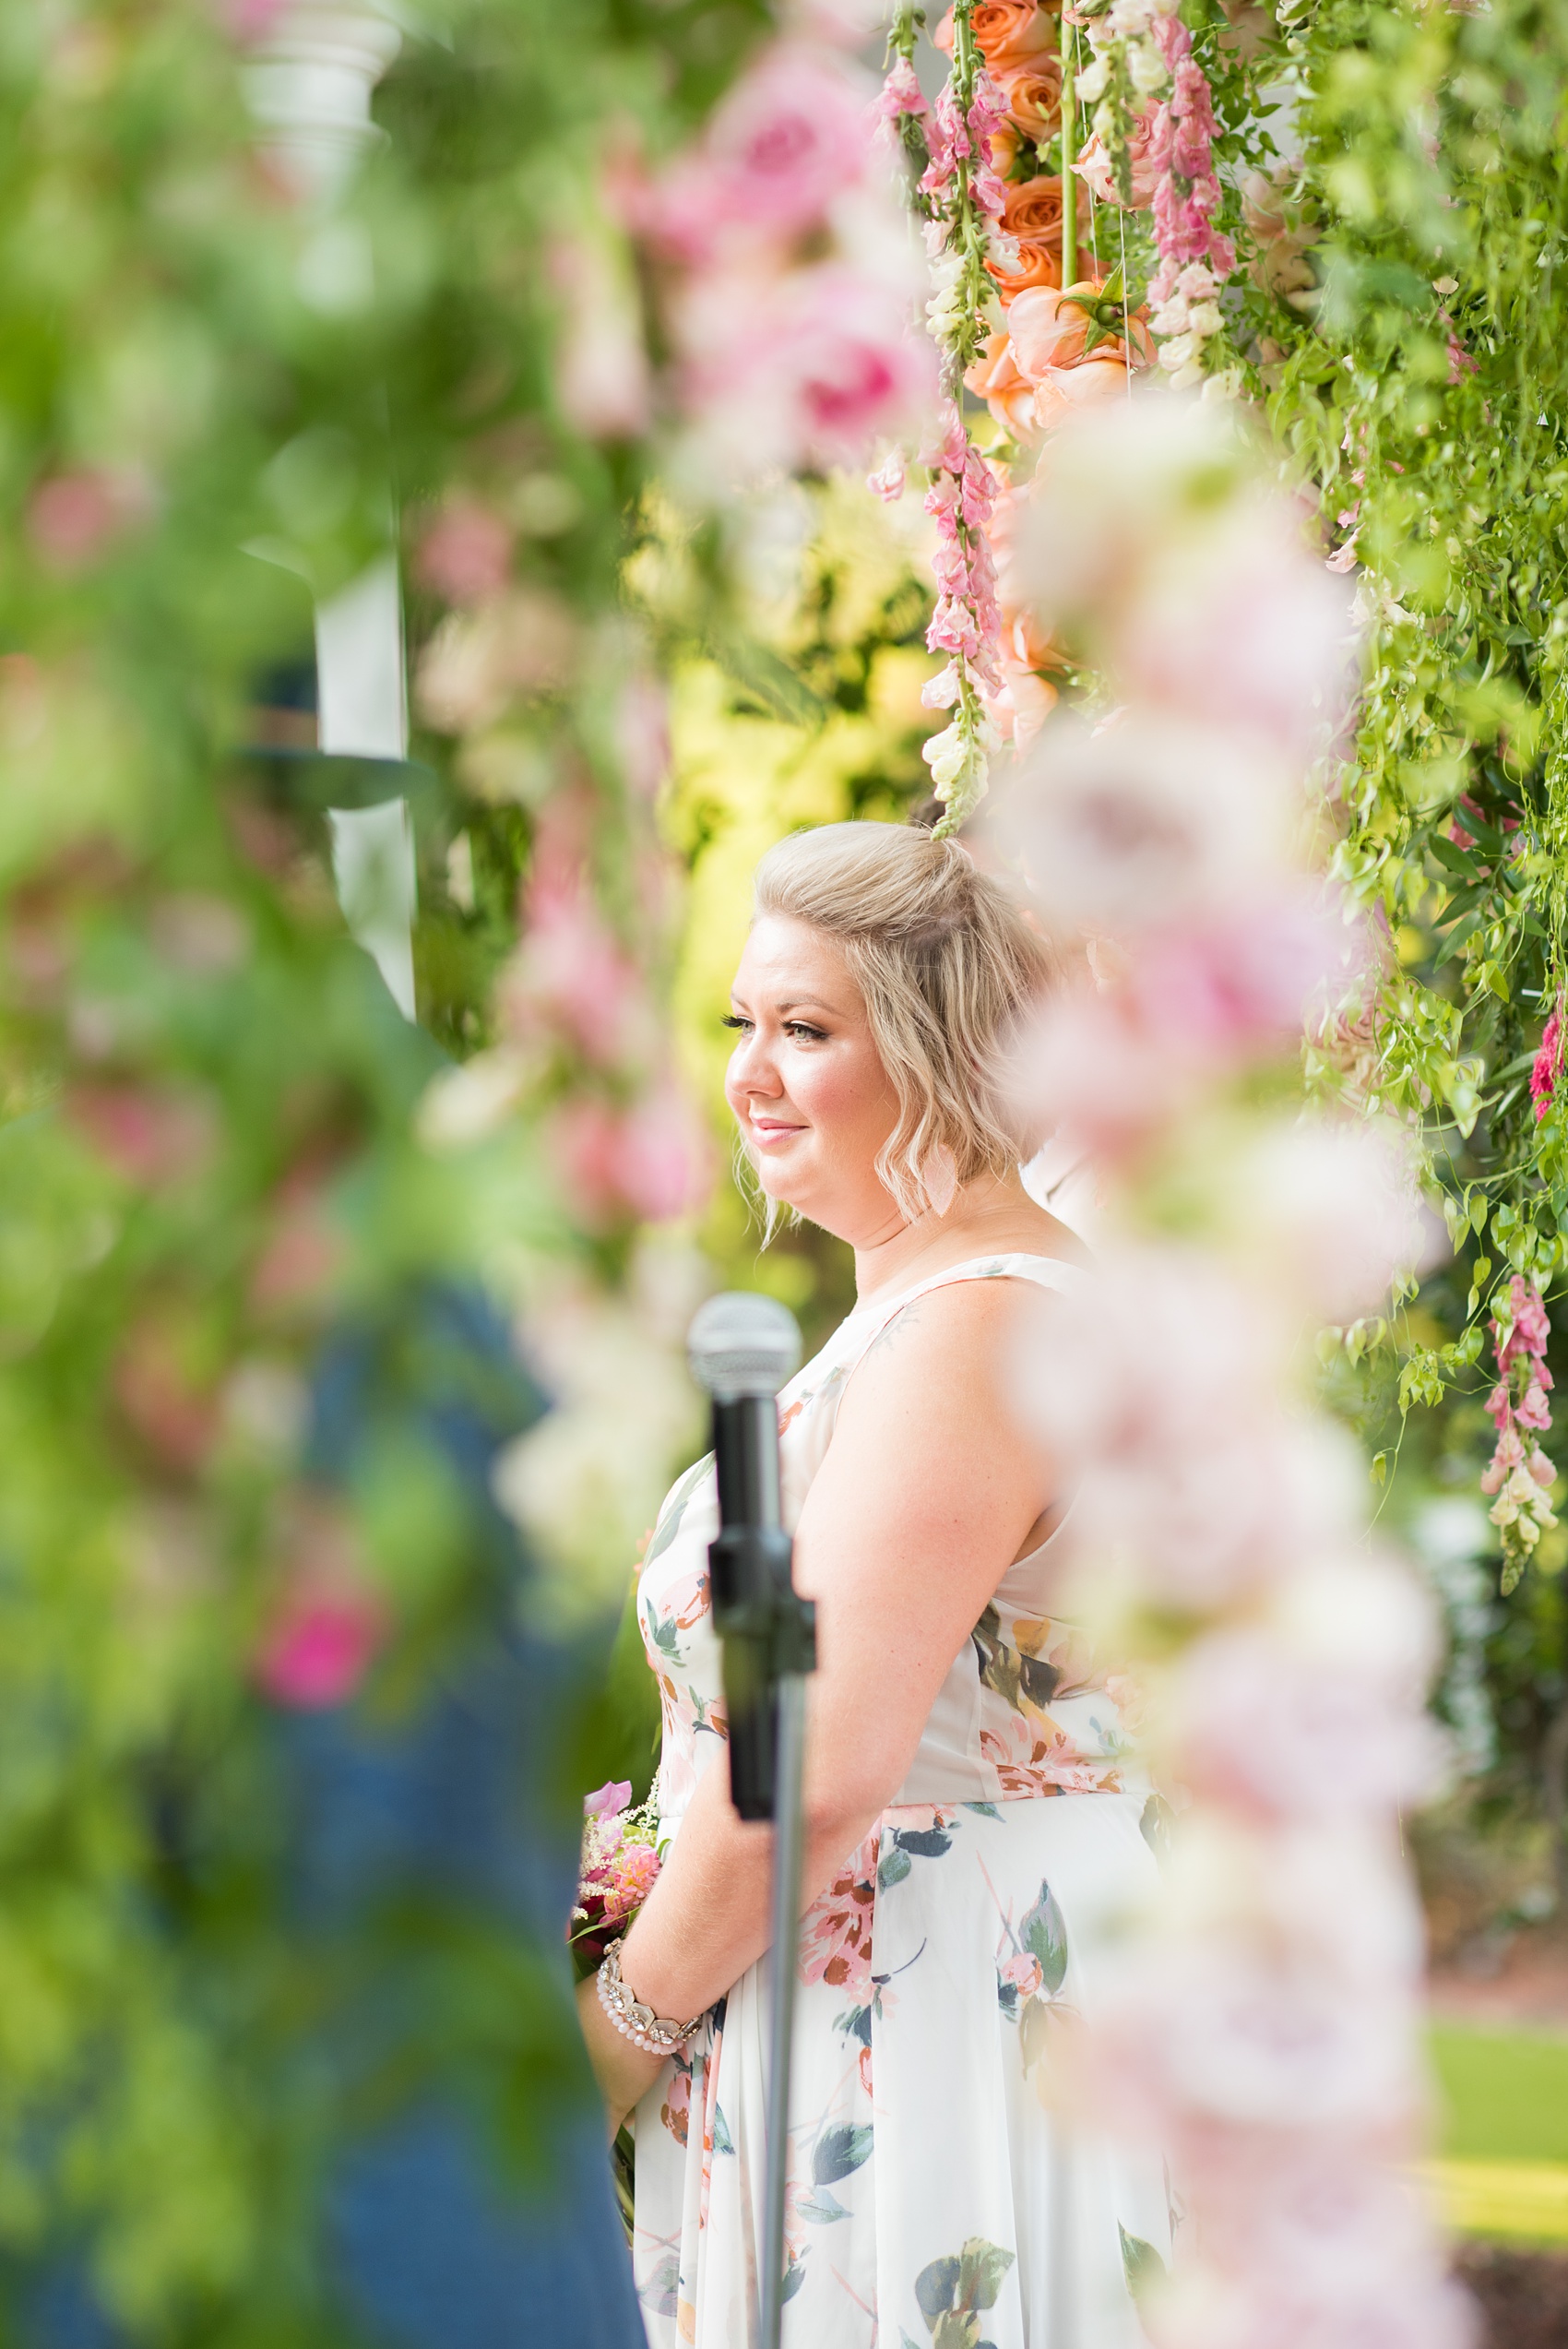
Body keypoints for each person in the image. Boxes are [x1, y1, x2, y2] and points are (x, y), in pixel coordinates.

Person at [576, 821, 1170, 2347]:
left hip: (927, 2017)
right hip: (871, 1983)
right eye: (742, 1024)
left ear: (937, 1050)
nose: (749, 1073)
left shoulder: (975, 1331)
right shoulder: (923, 1309)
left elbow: (812, 1768)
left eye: (806, 1028)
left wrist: (621, 2024)